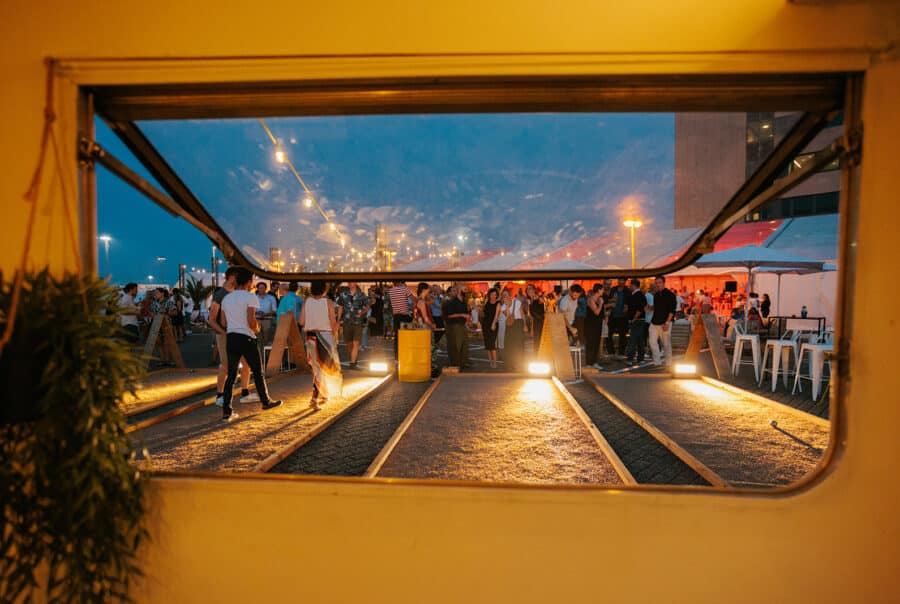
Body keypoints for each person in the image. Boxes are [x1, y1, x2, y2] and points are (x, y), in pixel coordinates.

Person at [219, 267, 283, 421]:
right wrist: (257, 327)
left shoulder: (226, 298)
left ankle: (227, 410)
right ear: (248, 281)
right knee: (257, 371)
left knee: (231, 375)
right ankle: (265, 401)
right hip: (246, 337)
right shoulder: (250, 297)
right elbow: (251, 320)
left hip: (231, 337)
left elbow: (223, 322)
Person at [208, 267, 252, 408]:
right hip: (226, 334)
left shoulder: (238, 292)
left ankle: (244, 392)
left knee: (246, 363)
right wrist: (223, 333)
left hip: (239, 332)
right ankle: (220, 395)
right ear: (232, 277)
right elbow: (212, 319)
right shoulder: (220, 294)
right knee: (226, 364)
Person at [301, 280, 342, 409]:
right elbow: (333, 325)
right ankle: (314, 399)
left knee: (316, 367)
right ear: (324, 289)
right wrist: (339, 323)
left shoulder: (307, 301)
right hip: (325, 337)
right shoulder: (328, 302)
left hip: (310, 336)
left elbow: (301, 321)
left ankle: (324, 393)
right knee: (324, 367)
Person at [337, 282, 370, 370]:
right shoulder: (343, 294)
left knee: (356, 343)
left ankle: (352, 363)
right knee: (349, 343)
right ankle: (354, 359)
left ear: (355, 283)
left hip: (357, 322)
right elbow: (340, 307)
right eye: (349, 282)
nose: (350, 283)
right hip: (346, 322)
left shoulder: (361, 295)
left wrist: (362, 313)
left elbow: (367, 306)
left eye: (352, 282)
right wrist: (338, 320)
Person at [648, 275, 676, 367]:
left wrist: (667, 323)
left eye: (659, 282)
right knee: (652, 342)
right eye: (656, 283)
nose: (658, 284)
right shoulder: (656, 295)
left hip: (665, 322)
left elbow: (672, 310)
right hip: (654, 322)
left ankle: (669, 363)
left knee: (666, 344)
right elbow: (657, 307)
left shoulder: (670, 295)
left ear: (664, 283)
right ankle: (657, 362)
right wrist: (650, 308)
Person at [442, 284, 469, 368]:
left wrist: (467, 320)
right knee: (455, 346)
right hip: (454, 326)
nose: (466, 290)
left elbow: (466, 314)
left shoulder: (464, 301)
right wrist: (462, 315)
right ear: (459, 290)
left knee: (464, 344)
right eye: (465, 289)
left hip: (462, 325)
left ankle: (462, 363)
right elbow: (448, 315)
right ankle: (455, 364)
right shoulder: (451, 302)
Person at [388, 280, 416, 359]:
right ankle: (406, 355)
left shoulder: (391, 291)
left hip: (396, 317)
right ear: (400, 282)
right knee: (407, 336)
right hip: (405, 316)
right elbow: (414, 299)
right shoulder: (404, 289)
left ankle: (397, 357)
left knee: (397, 338)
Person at [503, 286, 529, 371]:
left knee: (519, 345)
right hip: (510, 326)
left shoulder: (517, 302)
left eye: (507, 295)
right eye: (504, 296)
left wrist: (525, 325)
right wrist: (507, 306)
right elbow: (508, 316)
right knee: (510, 345)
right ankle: (510, 365)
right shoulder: (503, 306)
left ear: (510, 295)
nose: (506, 297)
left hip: (518, 324)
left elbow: (522, 314)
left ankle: (519, 364)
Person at [625, 279, 648, 366]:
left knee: (633, 340)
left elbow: (640, 309)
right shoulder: (640, 295)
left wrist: (633, 319)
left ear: (634, 285)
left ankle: (630, 358)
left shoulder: (638, 295)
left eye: (630, 285)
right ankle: (640, 358)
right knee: (639, 340)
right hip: (640, 320)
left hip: (637, 320)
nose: (629, 286)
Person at [605, 279, 629, 358]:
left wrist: (627, 307)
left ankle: (621, 352)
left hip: (623, 316)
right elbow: (608, 300)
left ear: (624, 281)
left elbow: (630, 302)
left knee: (623, 335)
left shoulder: (627, 291)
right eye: (619, 280)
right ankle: (611, 351)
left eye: (622, 280)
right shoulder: (613, 289)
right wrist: (610, 308)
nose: (620, 282)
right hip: (613, 315)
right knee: (608, 334)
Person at [254, 282, 278, 360]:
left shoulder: (271, 298)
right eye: (260, 288)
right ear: (257, 289)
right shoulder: (254, 298)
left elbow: (274, 310)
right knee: (258, 339)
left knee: (267, 340)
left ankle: (266, 357)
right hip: (257, 320)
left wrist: (266, 314)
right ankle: (259, 357)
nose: (261, 289)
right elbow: (251, 309)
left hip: (267, 320)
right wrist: (258, 313)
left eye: (263, 288)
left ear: (266, 288)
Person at [584, 284, 605, 369]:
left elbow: (601, 312)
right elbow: (596, 312)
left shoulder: (599, 299)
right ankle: (589, 363)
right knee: (591, 343)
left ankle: (594, 362)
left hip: (598, 324)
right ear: (598, 290)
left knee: (596, 342)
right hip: (591, 325)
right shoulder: (591, 299)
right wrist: (601, 304)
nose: (603, 291)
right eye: (602, 289)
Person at [482, 288, 500, 368]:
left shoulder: (498, 303)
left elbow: (497, 315)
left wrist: (493, 323)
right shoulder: (487, 302)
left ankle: (495, 362)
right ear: (489, 295)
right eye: (492, 294)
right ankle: (490, 362)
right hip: (485, 324)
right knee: (488, 344)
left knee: (492, 344)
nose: (493, 296)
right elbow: (484, 313)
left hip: (493, 324)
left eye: (495, 295)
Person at [526, 284, 544, 351]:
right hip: (536, 324)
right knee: (536, 343)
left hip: (541, 323)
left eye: (530, 288)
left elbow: (545, 309)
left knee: (540, 343)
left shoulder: (539, 299)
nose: (529, 290)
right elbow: (532, 317)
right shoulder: (530, 301)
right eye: (527, 289)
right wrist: (532, 329)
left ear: (534, 290)